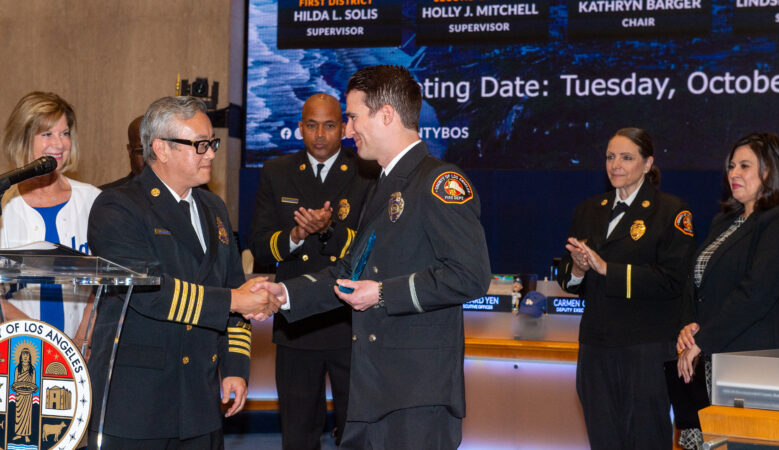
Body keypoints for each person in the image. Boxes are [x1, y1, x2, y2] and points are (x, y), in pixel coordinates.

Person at [265, 65, 491, 449]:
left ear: (386, 115)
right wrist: (281, 296)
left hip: (416, 396)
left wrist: (383, 293)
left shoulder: (439, 182)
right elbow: (347, 272)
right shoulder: (384, 184)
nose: (348, 130)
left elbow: (470, 274)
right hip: (374, 388)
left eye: (353, 117)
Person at [86, 96, 280, 449]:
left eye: (212, 143)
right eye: (199, 145)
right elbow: (150, 292)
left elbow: (232, 286)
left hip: (200, 401)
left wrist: (235, 366)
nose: (210, 153)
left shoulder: (213, 207)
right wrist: (237, 300)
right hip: (138, 405)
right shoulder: (116, 206)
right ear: (160, 148)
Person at [249, 93, 376, 448]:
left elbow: (375, 246)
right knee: (298, 432)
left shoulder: (366, 171)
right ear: (300, 127)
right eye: (311, 125)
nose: (320, 134)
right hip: (296, 322)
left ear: (344, 128)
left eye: (330, 125)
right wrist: (295, 234)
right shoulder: (278, 172)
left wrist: (328, 231)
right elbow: (259, 246)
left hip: (349, 320)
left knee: (359, 430)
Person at [557, 127, 695, 449]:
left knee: (646, 438)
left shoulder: (671, 211)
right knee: (603, 438)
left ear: (648, 164)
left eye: (626, 157)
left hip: (645, 348)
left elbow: (673, 279)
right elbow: (568, 278)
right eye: (610, 157)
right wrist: (577, 269)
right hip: (594, 347)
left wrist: (608, 270)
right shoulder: (588, 210)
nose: (615, 165)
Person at [676, 132, 779, 449]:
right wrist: (689, 327)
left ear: (770, 171)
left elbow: (756, 294)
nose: (734, 173)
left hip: (756, 364)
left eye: (745, 165)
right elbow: (697, 282)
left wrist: (702, 339)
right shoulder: (723, 221)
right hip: (711, 362)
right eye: (731, 165)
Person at [0, 91, 99, 342]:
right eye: (47, 134)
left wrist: (81, 341)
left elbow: (104, 289)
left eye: (64, 133)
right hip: (15, 347)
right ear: (23, 139)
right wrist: (39, 340)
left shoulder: (94, 201)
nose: (60, 143)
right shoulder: (4, 203)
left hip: (82, 351)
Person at [99, 115, 145, 190]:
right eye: (142, 150)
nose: (150, 157)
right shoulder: (106, 195)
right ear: (130, 151)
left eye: (155, 149)